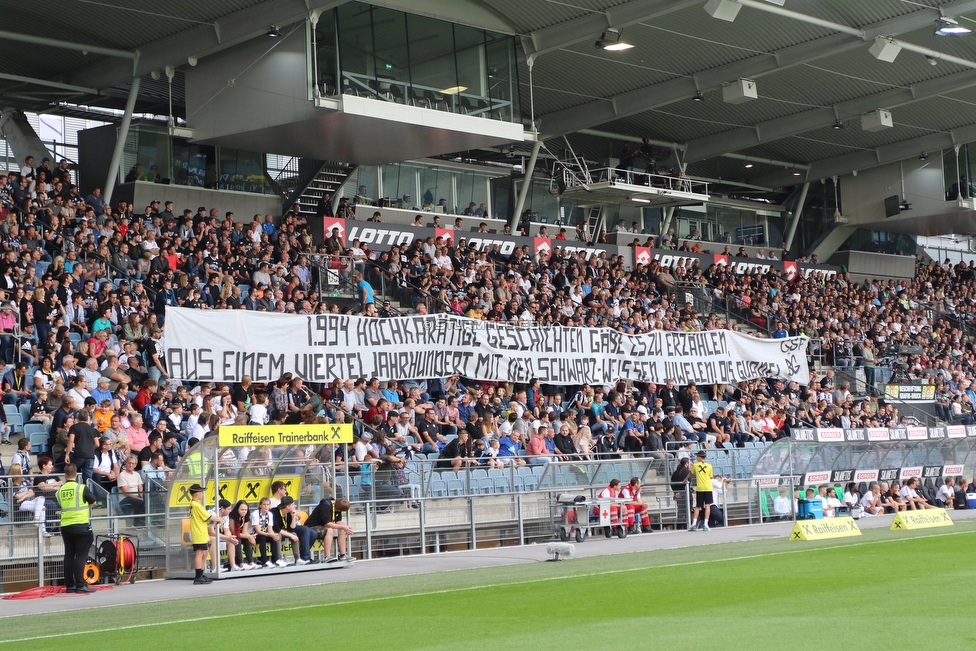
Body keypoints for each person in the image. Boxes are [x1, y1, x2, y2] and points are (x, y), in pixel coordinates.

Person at [57, 463, 97, 593]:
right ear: (77, 474)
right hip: (81, 525)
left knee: (69, 555)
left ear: (65, 475)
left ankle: (70, 585)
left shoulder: (60, 491)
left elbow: (61, 503)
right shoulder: (81, 488)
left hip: (65, 526)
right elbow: (93, 501)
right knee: (81, 556)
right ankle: (80, 585)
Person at [188, 483, 221, 584]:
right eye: (201, 493)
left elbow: (205, 519)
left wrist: (214, 521)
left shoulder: (194, 505)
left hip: (202, 532)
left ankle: (201, 574)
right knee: (199, 553)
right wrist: (219, 518)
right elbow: (209, 516)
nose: (202, 494)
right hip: (199, 533)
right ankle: (198, 576)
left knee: (205, 552)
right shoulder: (197, 505)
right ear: (197, 493)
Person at [307, 497, 354, 562]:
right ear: (338, 508)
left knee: (341, 528)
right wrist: (342, 527)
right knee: (330, 530)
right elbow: (327, 524)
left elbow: (338, 521)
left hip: (323, 526)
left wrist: (346, 527)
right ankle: (327, 556)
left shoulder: (338, 506)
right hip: (312, 527)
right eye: (339, 511)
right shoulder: (325, 505)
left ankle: (343, 555)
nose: (339, 512)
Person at [273, 495, 315, 565]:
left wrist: (293, 517)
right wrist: (290, 535)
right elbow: (276, 529)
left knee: (294, 534)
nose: (294, 506)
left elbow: (292, 528)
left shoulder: (289, 513)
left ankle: (298, 559)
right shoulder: (275, 512)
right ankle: (279, 559)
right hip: (275, 532)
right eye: (292, 504)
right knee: (278, 535)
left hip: (285, 531)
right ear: (287, 507)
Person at [65, 410, 99, 484]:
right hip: (90, 455)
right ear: (87, 418)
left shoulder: (74, 427)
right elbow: (97, 444)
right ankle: (87, 494)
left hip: (78, 454)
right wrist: (89, 448)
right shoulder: (92, 429)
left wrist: (67, 454)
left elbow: (71, 441)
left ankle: (75, 491)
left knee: (72, 475)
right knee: (88, 479)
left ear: (78, 418)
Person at [251, 497, 284, 567]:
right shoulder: (255, 514)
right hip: (254, 535)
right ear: (260, 505)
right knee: (262, 538)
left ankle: (275, 559)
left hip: (265, 533)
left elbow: (270, 529)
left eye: (268, 504)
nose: (266, 507)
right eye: (264, 504)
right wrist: (269, 534)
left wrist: (273, 535)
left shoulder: (270, 514)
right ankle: (264, 560)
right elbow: (258, 531)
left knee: (274, 537)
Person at [689, 450, 713, 532]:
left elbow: (690, 474)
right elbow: (710, 476)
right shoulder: (709, 466)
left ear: (699, 457)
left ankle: (693, 524)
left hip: (700, 488)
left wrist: (685, 480)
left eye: (697, 457)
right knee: (707, 506)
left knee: (698, 506)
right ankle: (706, 524)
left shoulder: (695, 465)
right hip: (708, 487)